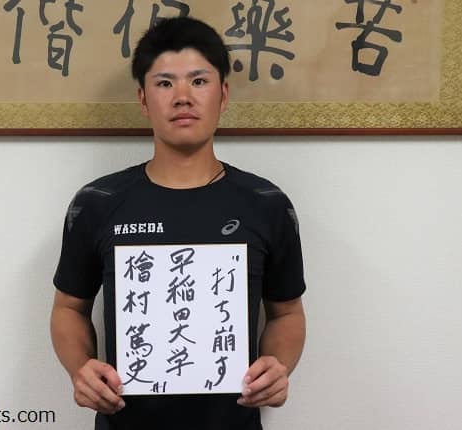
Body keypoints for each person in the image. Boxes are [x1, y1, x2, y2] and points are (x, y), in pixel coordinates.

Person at [50, 16, 306, 430]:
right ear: (142, 98)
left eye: (199, 81)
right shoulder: (98, 203)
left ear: (223, 94)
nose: (183, 97)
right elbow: (68, 308)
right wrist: (81, 368)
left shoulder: (267, 204)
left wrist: (278, 366)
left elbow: (287, 313)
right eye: (165, 83)